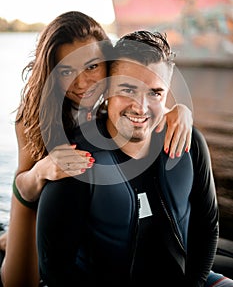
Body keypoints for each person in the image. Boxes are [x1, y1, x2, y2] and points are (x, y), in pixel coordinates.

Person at [0, 13, 193, 287]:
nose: (82, 83)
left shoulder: (111, 101)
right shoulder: (34, 116)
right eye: (67, 71)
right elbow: (23, 183)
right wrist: (41, 171)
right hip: (33, 203)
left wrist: (180, 111)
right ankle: (10, 237)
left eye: (92, 67)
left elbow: (148, 98)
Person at [36, 30, 233, 286]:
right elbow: (55, 269)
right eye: (128, 89)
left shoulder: (189, 143)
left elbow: (207, 228)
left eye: (155, 93)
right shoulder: (76, 160)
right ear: (106, 91)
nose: (140, 107)